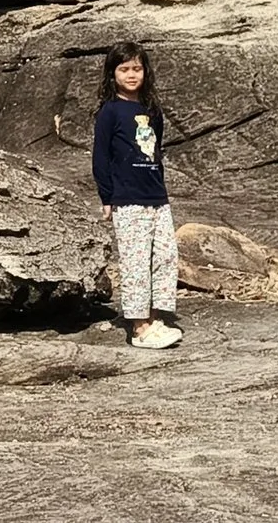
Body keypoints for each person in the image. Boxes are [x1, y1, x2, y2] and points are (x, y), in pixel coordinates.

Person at [92, 46, 181, 349]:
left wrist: (161, 191)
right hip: (127, 199)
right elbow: (100, 158)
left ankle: (156, 317)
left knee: (166, 256)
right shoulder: (110, 111)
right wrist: (107, 196)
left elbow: (156, 154)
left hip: (156, 196)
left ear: (145, 72)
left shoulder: (151, 110)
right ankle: (139, 327)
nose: (131, 75)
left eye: (137, 69)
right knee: (136, 262)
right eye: (124, 69)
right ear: (113, 74)